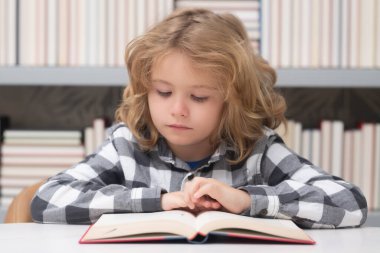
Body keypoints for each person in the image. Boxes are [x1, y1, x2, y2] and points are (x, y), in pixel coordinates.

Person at [31, 8, 367, 227]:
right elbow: (47, 200)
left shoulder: (257, 148)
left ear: (233, 101)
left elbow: (349, 203)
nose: (177, 109)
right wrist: (159, 202)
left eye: (200, 97)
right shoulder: (127, 144)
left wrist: (248, 201)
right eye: (163, 92)